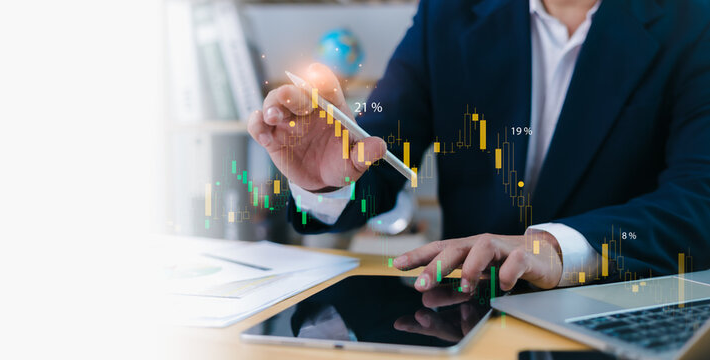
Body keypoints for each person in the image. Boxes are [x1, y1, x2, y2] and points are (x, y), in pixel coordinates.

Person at [247, 0, 710, 293]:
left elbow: (699, 200)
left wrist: (554, 248)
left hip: (619, 308)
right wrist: (327, 184)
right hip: (469, 317)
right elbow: (378, 153)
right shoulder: (447, 12)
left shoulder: (694, 20)